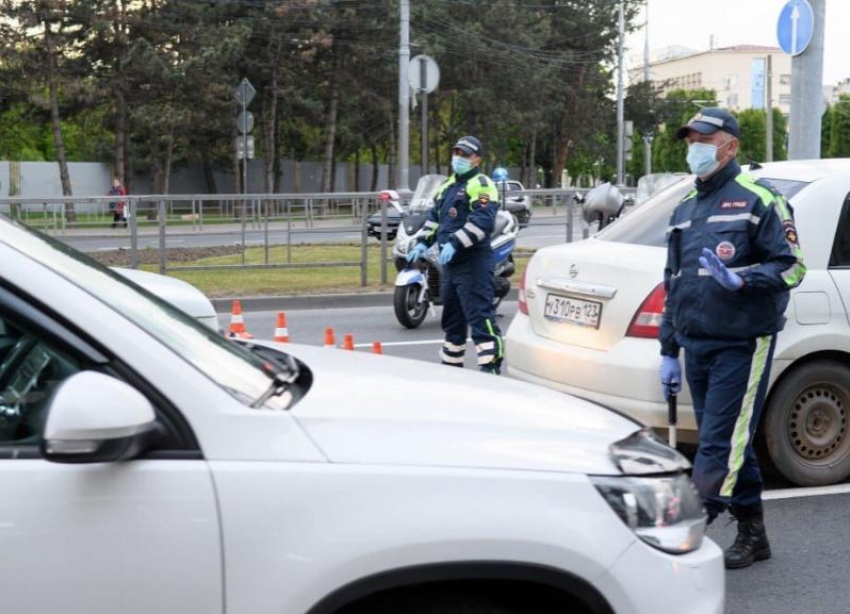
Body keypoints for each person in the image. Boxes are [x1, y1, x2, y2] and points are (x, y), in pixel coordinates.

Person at [659, 107, 806, 570]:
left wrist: (745, 280)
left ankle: (685, 531)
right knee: (726, 441)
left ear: (731, 146)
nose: (695, 147)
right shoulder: (685, 208)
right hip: (696, 342)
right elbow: (673, 280)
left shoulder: (759, 199)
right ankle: (754, 533)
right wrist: (667, 348)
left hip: (742, 342)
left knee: (719, 443)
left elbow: (793, 265)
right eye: (690, 140)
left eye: (705, 138)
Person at [406, 136, 503, 374]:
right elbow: (434, 220)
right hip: (450, 265)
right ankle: (452, 370)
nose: (458, 158)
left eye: (465, 154)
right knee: (452, 322)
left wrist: (455, 244)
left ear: (477, 159)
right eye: (456, 153)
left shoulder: (481, 184)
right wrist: (421, 243)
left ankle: (490, 370)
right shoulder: (447, 186)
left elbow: (483, 221)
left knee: (480, 318)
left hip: (473, 263)